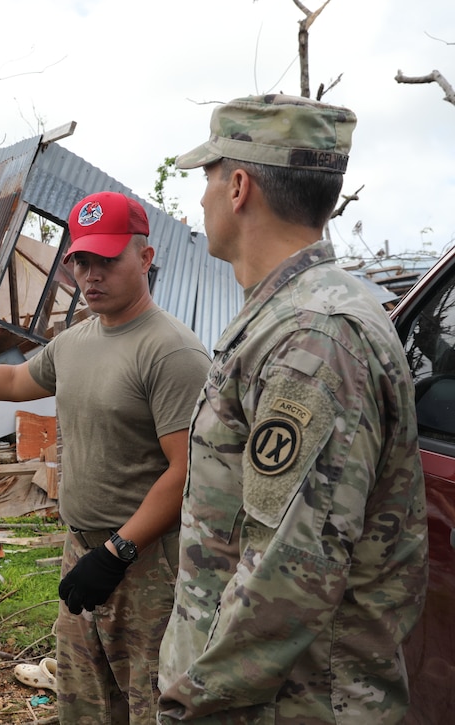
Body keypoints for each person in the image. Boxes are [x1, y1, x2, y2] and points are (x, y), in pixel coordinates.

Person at [0, 191, 211, 724]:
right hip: (83, 547)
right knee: (84, 695)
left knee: (150, 700)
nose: (91, 275)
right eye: (80, 261)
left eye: (108, 260)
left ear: (145, 258)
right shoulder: (76, 341)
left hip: (145, 562)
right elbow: (11, 378)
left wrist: (118, 551)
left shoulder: (172, 352)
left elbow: (186, 471)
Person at [157, 94, 429, 724]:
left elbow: (291, 571)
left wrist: (192, 703)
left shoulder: (315, 336)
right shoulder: (288, 316)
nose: (201, 199)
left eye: (208, 177)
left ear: (240, 186)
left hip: (290, 704)